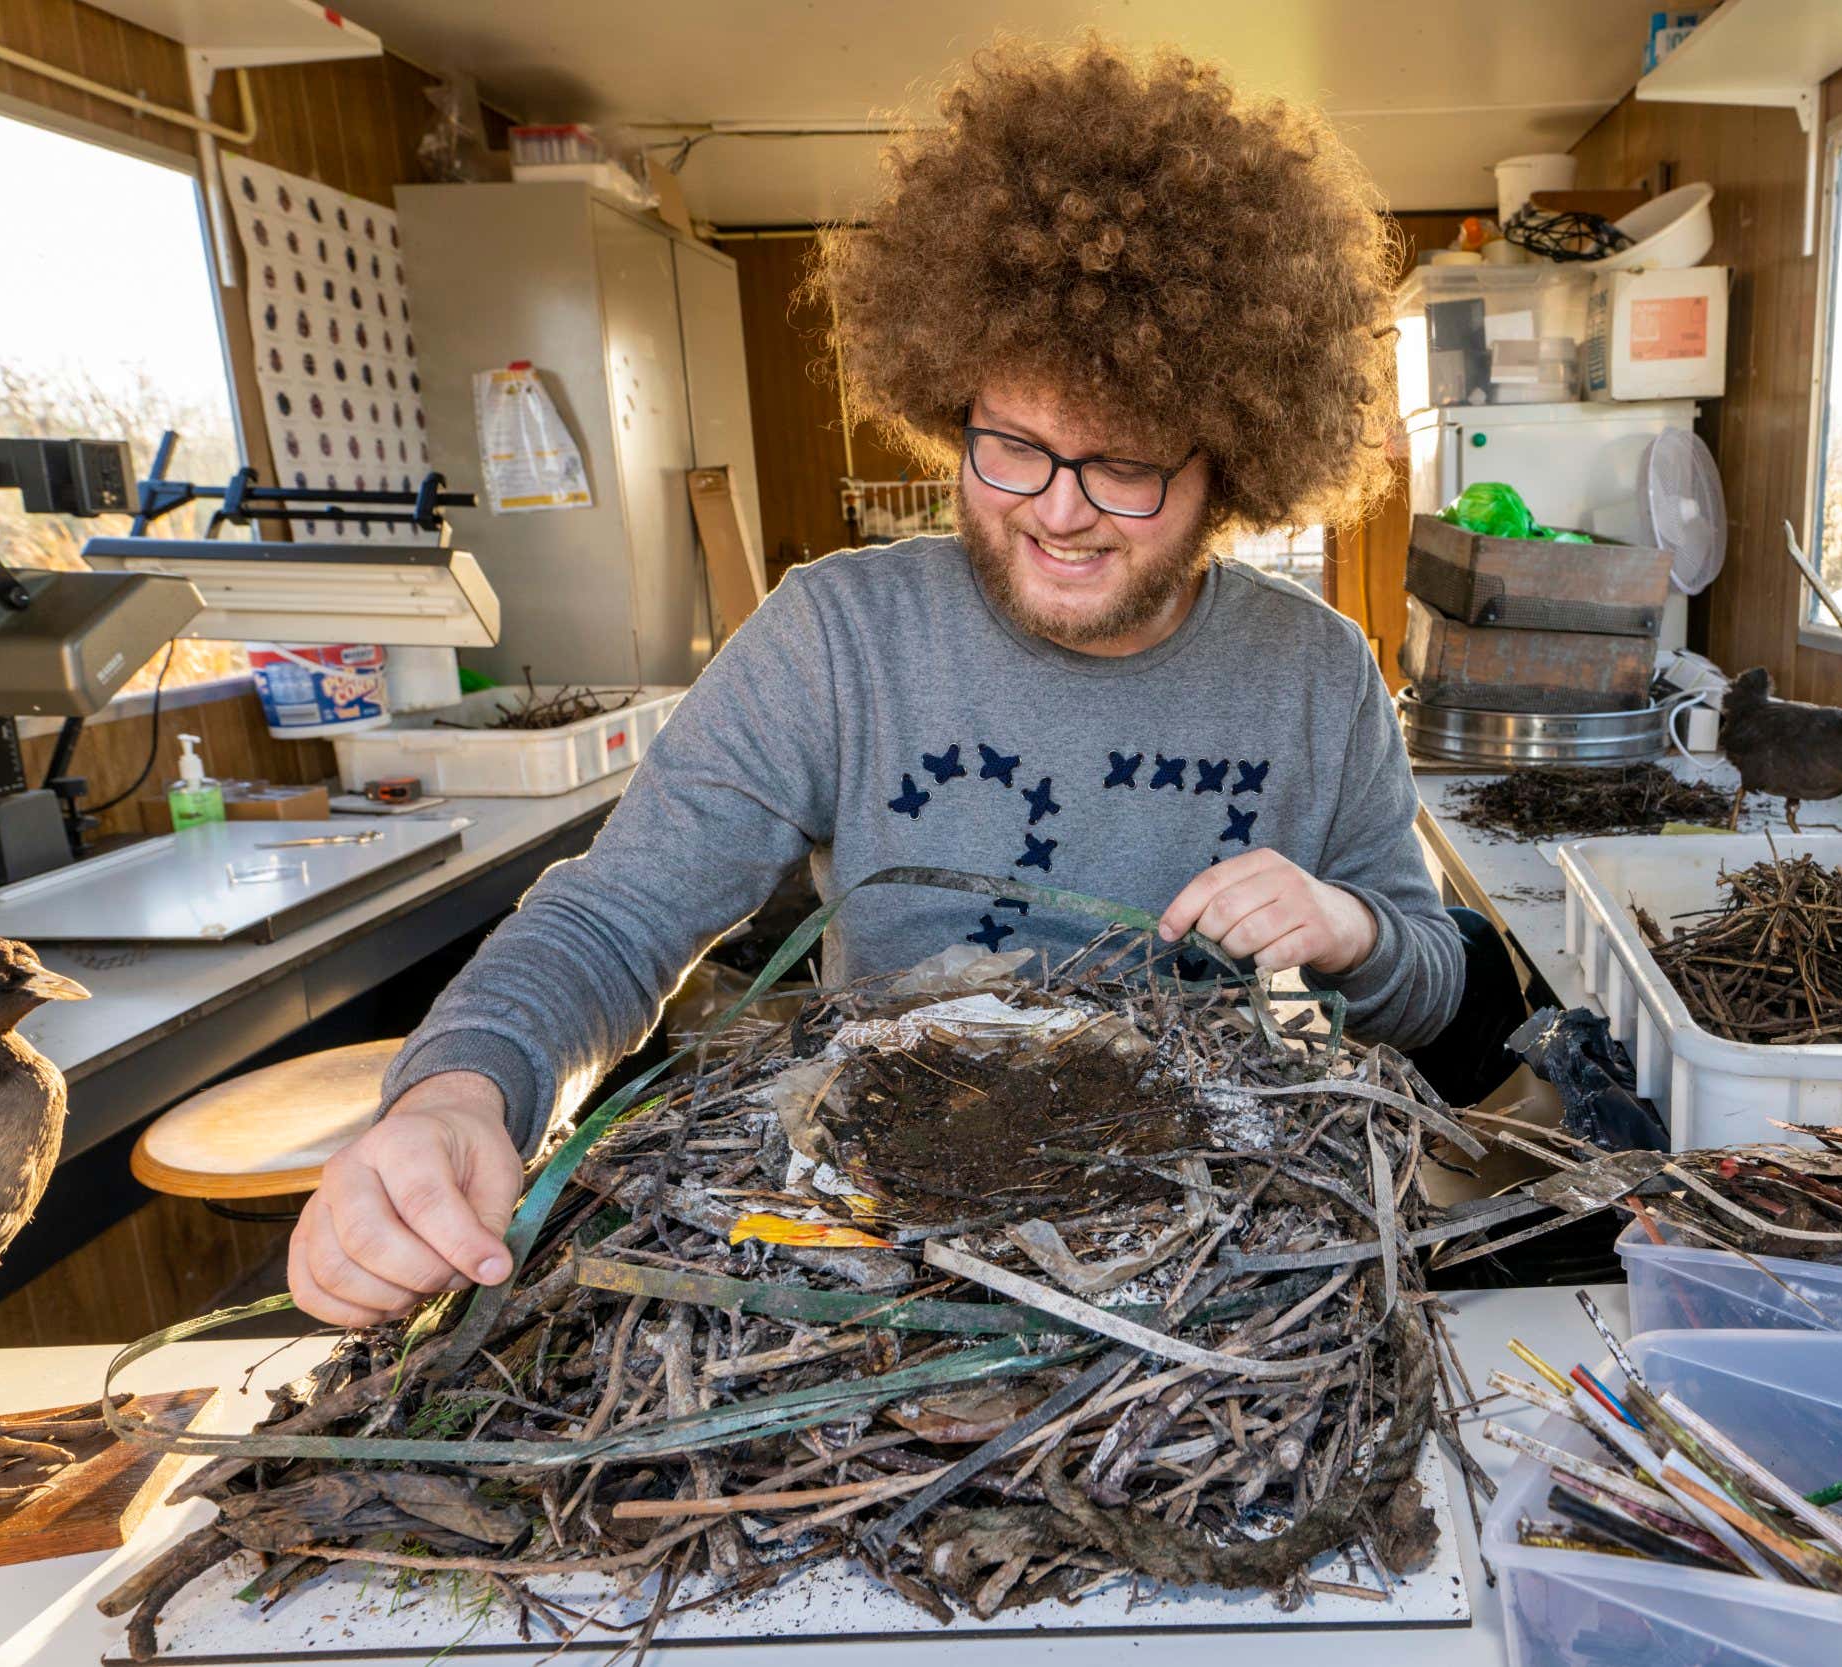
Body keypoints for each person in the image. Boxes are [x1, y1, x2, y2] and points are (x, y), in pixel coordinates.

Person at [287, 37, 1467, 1327]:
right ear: (947, 403)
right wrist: (462, 1090)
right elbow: (616, 918)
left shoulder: (1317, 673)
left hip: (1199, 1267)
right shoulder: (837, 639)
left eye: (1124, 466)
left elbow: (1429, 981)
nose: (1060, 516)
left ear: (1231, 459)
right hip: (892, 1254)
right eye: (1012, 446)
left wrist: (1347, 930)